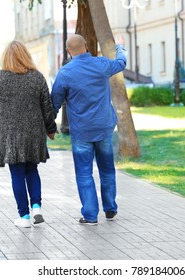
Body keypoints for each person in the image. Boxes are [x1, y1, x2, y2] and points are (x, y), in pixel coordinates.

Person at [51, 34, 127, 225]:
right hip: (104, 128)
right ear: (86, 45)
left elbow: (54, 102)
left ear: (68, 51)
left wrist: (49, 125)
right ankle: (110, 208)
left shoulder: (65, 73)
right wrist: (120, 47)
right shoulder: (101, 64)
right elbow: (121, 63)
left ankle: (91, 215)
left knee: (84, 173)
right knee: (107, 169)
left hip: (82, 131)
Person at [0, 40, 58, 228]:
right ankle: (37, 207)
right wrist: (50, 129)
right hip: (34, 133)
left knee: (17, 173)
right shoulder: (37, 77)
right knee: (32, 169)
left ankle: (24, 217)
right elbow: (47, 108)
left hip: (9, 134)